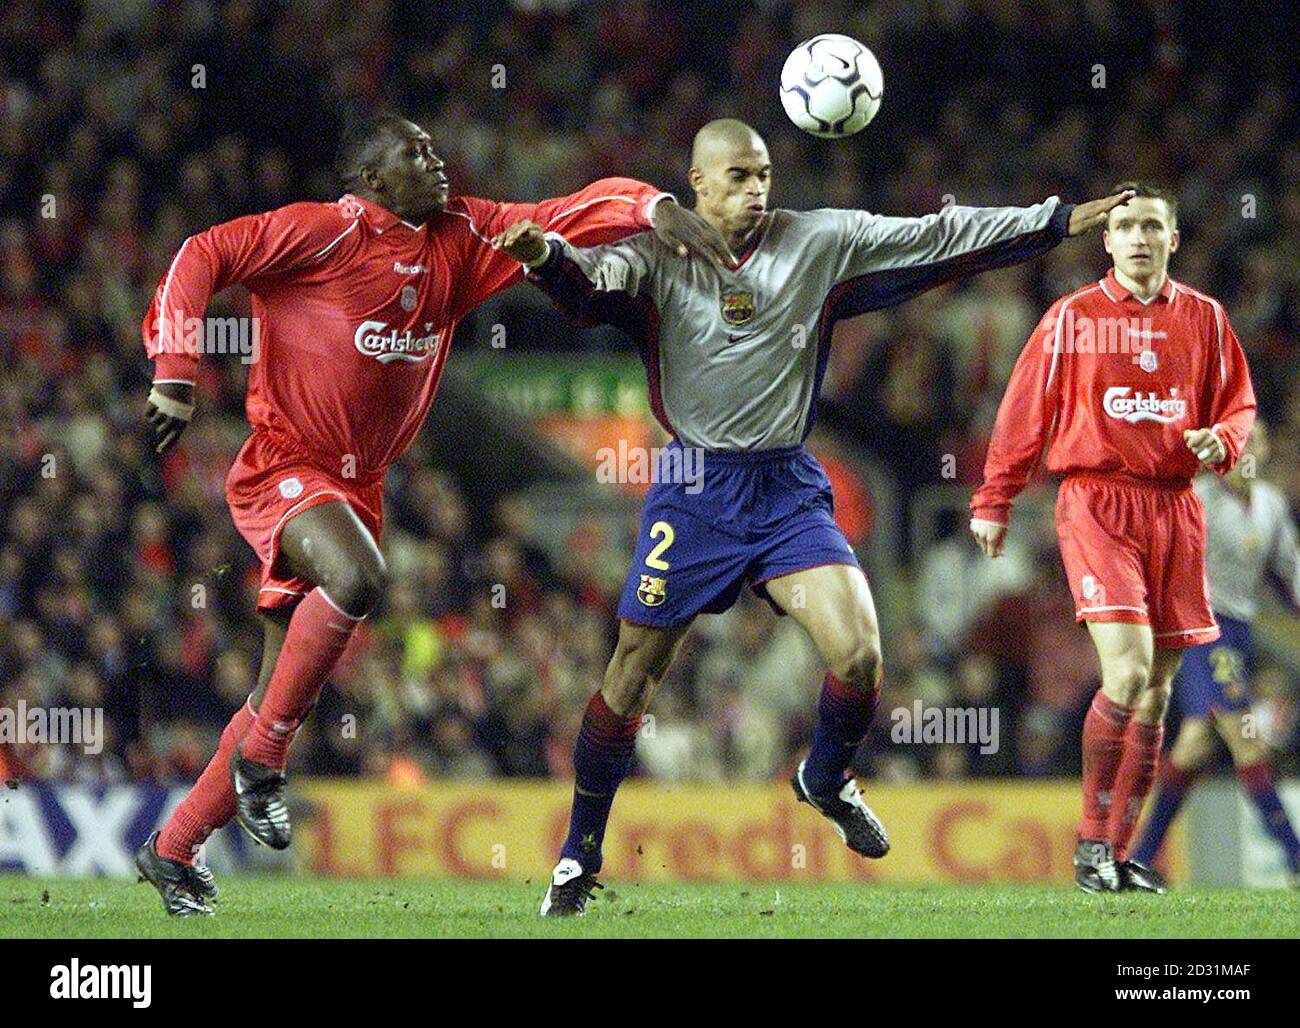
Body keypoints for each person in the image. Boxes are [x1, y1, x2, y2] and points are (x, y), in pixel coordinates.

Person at [495, 117, 1132, 916]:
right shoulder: (658, 256)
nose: (757, 190)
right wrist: (548, 259)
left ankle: (824, 776)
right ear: (696, 182)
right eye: (737, 177)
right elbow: (589, 286)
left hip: (787, 486)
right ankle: (579, 853)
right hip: (695, 489)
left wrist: (1052, 221)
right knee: (631, 676)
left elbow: (939, 236)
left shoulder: (819, 242)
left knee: (861, 653)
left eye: (764, 175)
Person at [134, 112, 729, 916]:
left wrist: (654, 209)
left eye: (433, 145)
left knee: (279, 691)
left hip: (360, 486)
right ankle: (265, 764)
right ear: (373, 179)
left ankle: (172, 849)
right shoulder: (321, 233)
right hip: (285, 465)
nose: (435, 158)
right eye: (413, 152)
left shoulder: (461, 234)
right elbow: (201, 253)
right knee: (359, 578)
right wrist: (175, 369)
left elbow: (569, 210)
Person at [970, 182, 1256, 893]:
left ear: (1173, 238)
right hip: (1096, 503)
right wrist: (994, 497)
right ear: (1106, 238)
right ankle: (1091, 843)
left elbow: (1240, 404)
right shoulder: (1073, 317)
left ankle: (1123, 854)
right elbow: (1022, 412)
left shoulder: (1206, 320)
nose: (1136, 237)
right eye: (1124, 225)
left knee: (1156, 697)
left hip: (1175, 507)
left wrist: (1221, 440)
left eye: (1151, 226)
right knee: (1126, 675)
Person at [1131, 420, 1300, 885]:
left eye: (1256, 441)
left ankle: (1141, 859)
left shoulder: (1270, 505)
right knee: (1244, 735)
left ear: (1265, 452)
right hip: (1200, 631)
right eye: (1239, 442)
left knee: (1194, 744)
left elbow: (1289, 574)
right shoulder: (1196, 499)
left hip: (1238, 633)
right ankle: (1295, 856)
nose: (1248, 450)